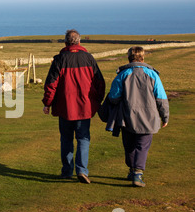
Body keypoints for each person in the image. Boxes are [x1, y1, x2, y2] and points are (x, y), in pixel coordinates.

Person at [42, 29, 106, 183]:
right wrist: (96, 101)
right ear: (79, 42)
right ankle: (82, 170)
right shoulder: (89, 58)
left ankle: (67, 171)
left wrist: (47, 103)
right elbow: (100, 83)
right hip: (84, 107)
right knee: (83, 138)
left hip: (65, 108)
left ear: (66, 42)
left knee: (66, 139)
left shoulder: (60, 59)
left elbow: (51, 85)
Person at [108, 46, 169, 187]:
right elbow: (161, 98)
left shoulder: (123, 74)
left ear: (129, 57)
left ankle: (132, 170)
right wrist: (165, 116)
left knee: (129, 146)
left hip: (127, 116)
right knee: (142, 146)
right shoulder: (153, 75)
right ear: (143, 57)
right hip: (149, 117)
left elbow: (114, 97)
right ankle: (137, 173)